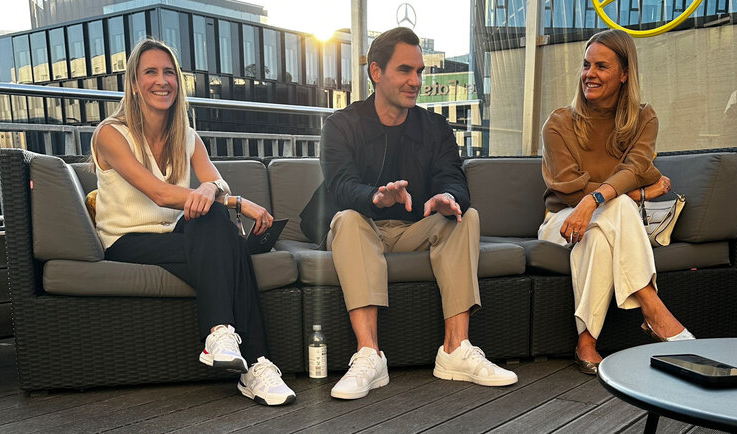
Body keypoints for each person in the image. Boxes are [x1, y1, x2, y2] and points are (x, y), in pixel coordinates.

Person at [90, 38, 295, 405]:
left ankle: (225, 339)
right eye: (150, 72)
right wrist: (237, 201)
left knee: (213, 216)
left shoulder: (186, 136)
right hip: (127, 239)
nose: (162, 80)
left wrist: (222, 195)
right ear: (135, 83)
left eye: (169, 72)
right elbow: (160, 194)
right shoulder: (110, 133)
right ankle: (254, 360)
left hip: (177, 234)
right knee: (228, 244)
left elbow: (215, 184)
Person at [317, 27, 518, 400]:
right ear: (376, 72)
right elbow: (340, 184)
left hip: (414, 231)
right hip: (363, 229)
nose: (416, 81)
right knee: (347, 218)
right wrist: (375, 197)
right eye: (405, 70)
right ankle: (369, 356)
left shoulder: (435, 127)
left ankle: (456, 349)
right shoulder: (340, 125)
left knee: (465, 216)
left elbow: (454, 177)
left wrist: (448, 197)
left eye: (420, 71)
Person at [539, 29, 694, 375]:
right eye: (586, 65)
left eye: (601, 67)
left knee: (599, 235)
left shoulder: (643, 118)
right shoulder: (559, 123)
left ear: (625, 74)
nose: (589, 74)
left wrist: (597, 198)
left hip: (598, 220)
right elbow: (567, 187)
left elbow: (638, 166)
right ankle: (653, 308)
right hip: (560, 220)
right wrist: (634, 192)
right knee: (621, 205)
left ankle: (586, 343)